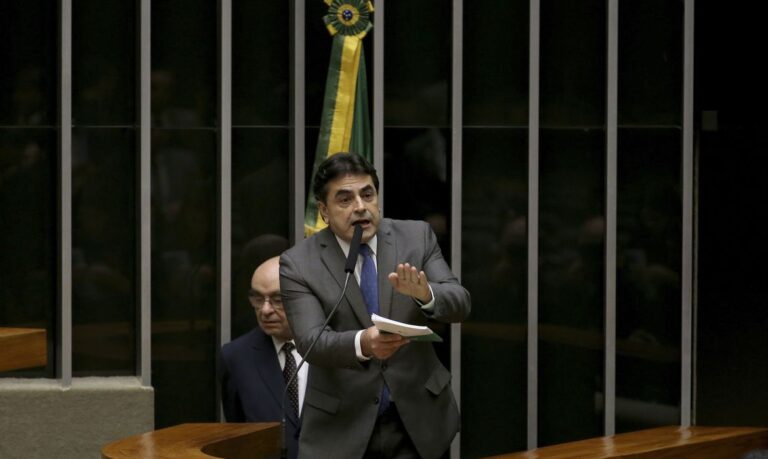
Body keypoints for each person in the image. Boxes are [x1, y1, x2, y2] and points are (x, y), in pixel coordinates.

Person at [280, 153, 471, 459]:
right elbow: (311, 342)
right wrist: (364, 343)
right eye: (344, 199)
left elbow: (460, 303)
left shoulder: (415, 237)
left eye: (367, 195)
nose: (360, 207)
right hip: (343, 426)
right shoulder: (298, 263)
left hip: (418, 419)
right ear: (324, 211)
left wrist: (427, 295)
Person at [220, 256, 306, 459]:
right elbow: (238, 432)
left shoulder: (335, 347)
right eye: (258, 299)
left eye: (277, 299)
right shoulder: (236, 357)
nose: (265, 310)